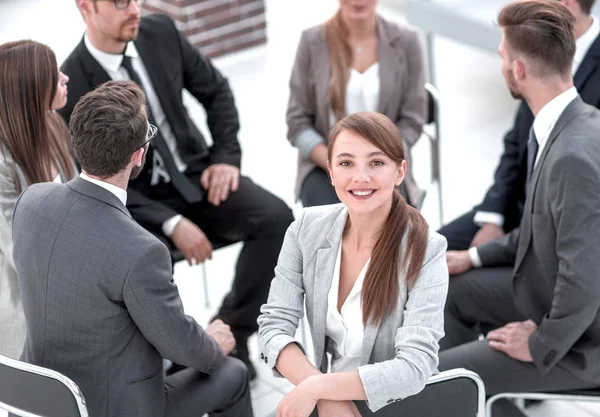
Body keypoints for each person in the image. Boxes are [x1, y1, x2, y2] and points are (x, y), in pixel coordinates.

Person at [60, 0, 294, 378]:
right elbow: (90, 175)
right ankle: (169, 356)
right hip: (133, 202)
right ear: (86, 7)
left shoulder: (161, 33)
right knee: (131, 264)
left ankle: (230, 333)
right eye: (120, 3)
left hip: (196, 175)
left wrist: (225, 158)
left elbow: (217, 92)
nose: (134, 9)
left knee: (276, 219)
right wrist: (170, 222)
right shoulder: (71, 82)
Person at [13, 80, 253, 417]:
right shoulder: (140, 250)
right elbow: (181, 345)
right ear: (138, 155)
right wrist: (215, 344)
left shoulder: (32, 200)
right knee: (233, 373)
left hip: (43, 395)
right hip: (115, 408)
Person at [438, 2, 600, 416]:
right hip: (551, 297)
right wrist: (472, 256)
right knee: (452, 291)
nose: (502, 64)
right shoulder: (570, 123)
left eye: (502, 56)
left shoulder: (572, 156)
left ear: (518, 70)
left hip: (582, 343)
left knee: (440, 376)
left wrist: (538, 341)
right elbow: (542, 228)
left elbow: (585, 280)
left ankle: (459, 393)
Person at [258, 112, 448, 416]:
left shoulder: (426, 248)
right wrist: (323, 392)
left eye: (376, 162)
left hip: (395, 403)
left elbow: (415, 366)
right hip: (333, 397)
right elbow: (272, 327)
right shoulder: (305, 229)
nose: (361, 177)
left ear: (400, 172)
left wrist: (316, 389)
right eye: (346, 163)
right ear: (330, 172)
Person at [438, 0, 600, 251]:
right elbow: (516, 141)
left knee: (452, 282)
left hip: (560, 229)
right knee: (421, 253)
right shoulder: (536, 46)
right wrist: (493, 217)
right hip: (512, 208)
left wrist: (480, 256)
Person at [287, 0, 427, 208]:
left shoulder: (407, 41)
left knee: (390, 232)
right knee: (330, 231)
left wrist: (378, 161)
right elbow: (297, 123)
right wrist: (339, 163)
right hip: (325, 165)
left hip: (386, 161)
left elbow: (413, 120)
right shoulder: (311, 41)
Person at [0, 40, 77, 359]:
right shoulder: (2, 162)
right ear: (30, 88)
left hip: (69, 278)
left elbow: (79, 202)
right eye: (52, 73)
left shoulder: (53, 125)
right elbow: (18, 248)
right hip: (27, 306)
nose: (65, 77)